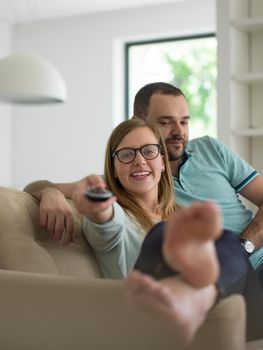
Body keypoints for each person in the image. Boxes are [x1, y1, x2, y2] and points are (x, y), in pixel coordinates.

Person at [26, 119, 263, 342]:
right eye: (127, 154)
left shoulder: (181, 215)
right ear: (114, 168)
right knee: (162, 234)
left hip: (229, 316)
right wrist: (92, 206)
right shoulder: (119, 214)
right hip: (153, 324)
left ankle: (195, 297)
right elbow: (105, 225)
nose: (139, 161)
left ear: (162, 161)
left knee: (225, 239)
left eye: (148, 151)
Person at [23, 82, 263, 283]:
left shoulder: (211, 149)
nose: (178, 131)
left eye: (184, 121)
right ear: (140, 121)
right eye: (166, 122)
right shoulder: (126, 181)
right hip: (223, 282)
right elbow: (92, 209)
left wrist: (245, 248)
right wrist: (50, 193)